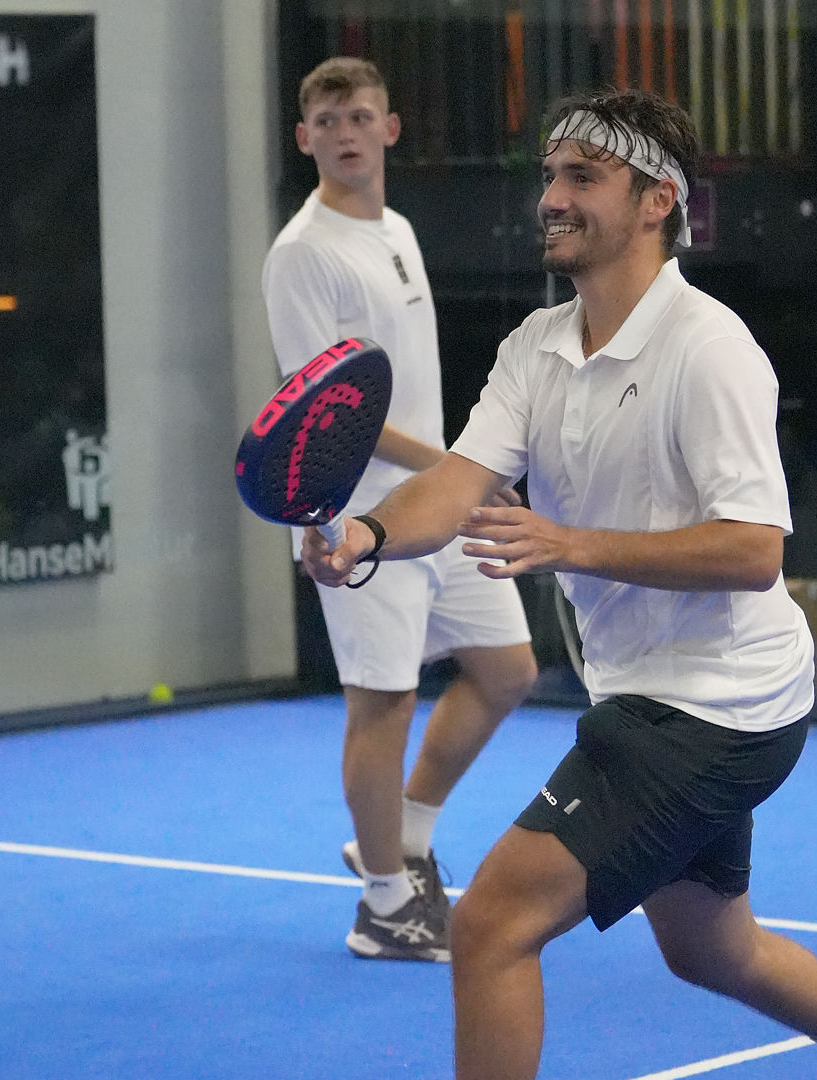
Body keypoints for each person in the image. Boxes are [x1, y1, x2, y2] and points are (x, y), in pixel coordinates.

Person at [301, 86, 817, 1079]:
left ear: (658, 200)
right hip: (646, 691)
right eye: (550, 175)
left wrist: (572, 545)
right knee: (709, 948)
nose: (552, 197)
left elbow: (754, 551)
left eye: (583, 176)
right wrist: (365, 536)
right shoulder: (534, 347)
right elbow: (455, 485)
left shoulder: (710, 349)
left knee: (490, 924)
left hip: (719, 706)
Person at [262, 57, 538, 963]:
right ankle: (385, 904)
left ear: (389, 129)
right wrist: (460, 468)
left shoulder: (398, 230)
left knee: (507, 671)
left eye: (360, 117)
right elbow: (329, 409)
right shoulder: (302, 255)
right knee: (382, 702)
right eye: (327, 120)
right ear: (304, 139)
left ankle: (403, 833)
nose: (345, 132)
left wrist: (453, 477)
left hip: (437, 501)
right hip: (355, 518)